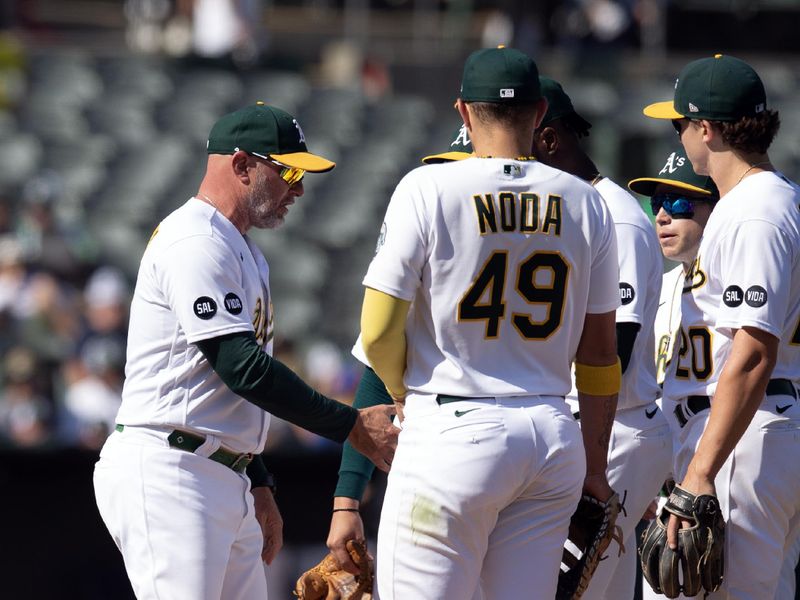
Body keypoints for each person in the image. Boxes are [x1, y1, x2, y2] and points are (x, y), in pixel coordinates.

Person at [92, 102, 399, 600]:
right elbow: (243, 370)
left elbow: (227, 387)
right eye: (289, 171)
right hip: (170, 470)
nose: (299, 188)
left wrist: (255, 479)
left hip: (219, 471)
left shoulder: (243, 250)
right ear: (242, 165)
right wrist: (352, 427)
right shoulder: (193, 240)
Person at [356, 46, 622, 599]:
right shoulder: (585, 202)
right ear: (540, 113)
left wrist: (400, 390)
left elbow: (379, 329)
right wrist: (595, 465)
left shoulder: (427, 187)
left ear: (463, 111)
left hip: (454, 431)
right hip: (550, 436)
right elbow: (599, 355)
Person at [644, 53, 800, 599]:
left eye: (680, 124)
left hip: (748, 433)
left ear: (706, 129)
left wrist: (699, 474)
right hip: (766, 427)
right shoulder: (774, 200)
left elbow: (753, 352)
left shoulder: (755, 209)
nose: (679, 136)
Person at [531, 75, 671, 600]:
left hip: (617, 428)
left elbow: (619, 343)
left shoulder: (616, 216)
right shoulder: (568, 208)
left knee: (566, 588)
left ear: (549, 139)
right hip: (602, 425)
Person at [627, 146, 719, 600]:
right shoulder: (658, 289)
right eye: (657, 202)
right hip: (669, 480)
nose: (663, 215)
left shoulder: (738, 281)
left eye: (680, 203)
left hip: (723, 466)